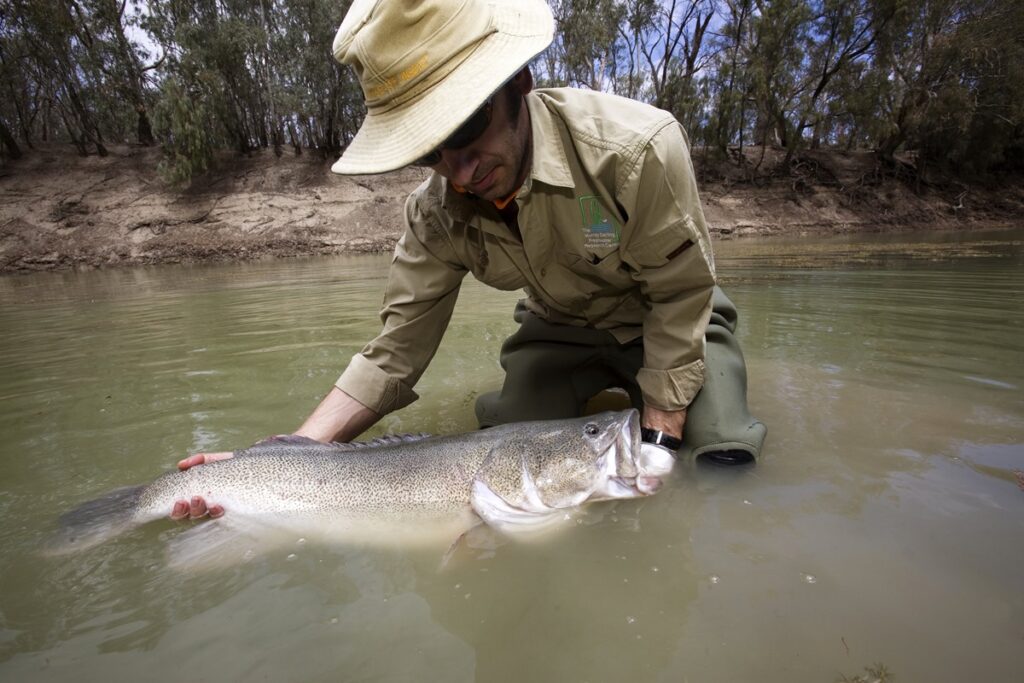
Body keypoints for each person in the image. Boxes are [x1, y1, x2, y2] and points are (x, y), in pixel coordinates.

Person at [170, 0, 766, 521]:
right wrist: (286, 458)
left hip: (669, 318)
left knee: (721, 451)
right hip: (557, 331)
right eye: (429, 149)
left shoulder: (638, 150)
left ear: (520, 82)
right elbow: (395, 353)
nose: (459, 169)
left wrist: (659, 435)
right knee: (508, 437)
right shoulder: (433, 215)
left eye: (468, 126)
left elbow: (679, 292)